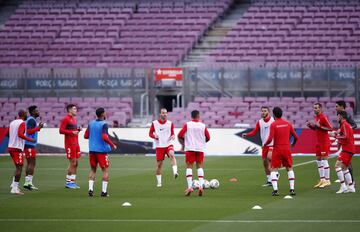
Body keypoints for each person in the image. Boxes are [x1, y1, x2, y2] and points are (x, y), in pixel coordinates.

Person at [264, 107, 298, 196]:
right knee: (289, 168)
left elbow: (270, 138)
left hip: (277, 149)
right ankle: (292, 190)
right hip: (287, 149)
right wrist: (293, 144)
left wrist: (265, 144)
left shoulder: (273, 124)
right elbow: (296, 137)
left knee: (274, 169)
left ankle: (275, 191)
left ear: (274, 115)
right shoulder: (288, 123)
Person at [84, 108, 116, 197]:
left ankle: (90, 190)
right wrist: (112, 144)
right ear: (102, 114)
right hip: (101, 151)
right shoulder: (104, 124)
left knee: (93, 170)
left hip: (92, 150)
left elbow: (85, 136)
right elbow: (104, 137)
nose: (106, 114)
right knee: (105, 170)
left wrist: (94, 136)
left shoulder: (91, 123)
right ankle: (104, 192)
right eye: (105, 112)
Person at [178, 110, 210, 197]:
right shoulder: (203, 126)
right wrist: (202, 142)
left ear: (191, 116)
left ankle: (190, 187)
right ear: (198, 116)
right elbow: (208, 137)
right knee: (199, 166)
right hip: (200, 149)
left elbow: (180, 135)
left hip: (190, 148)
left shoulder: (187, 125)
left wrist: (184, 144)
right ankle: (200, 186)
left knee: (189, 167)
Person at [242, 106, 274, 187]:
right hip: (264, 145)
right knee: (265, 163)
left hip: (272, 145)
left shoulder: (273, 121)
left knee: (270, 160)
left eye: (265, 111)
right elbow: (254, 132)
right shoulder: (260, 122)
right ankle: (269, 180)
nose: (263, 112)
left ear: (268, 112)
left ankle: (275, 175)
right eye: (262, 111)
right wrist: (247, 134)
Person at [149, 108, 178, 187]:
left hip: (168, 144)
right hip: (160, 145)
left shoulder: (170, 123)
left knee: (172, 154)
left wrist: (173, 136)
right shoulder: (154, 123)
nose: (165, 114)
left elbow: (172, 133)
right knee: (159, 165)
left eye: (166, 113)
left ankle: (175, 172)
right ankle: (159, 182)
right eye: (163, 113)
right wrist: (154, 136)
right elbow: (150, 133)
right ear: (160, 114)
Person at [8, 109, 35, 195]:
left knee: (17, 167)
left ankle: (13, 184)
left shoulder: (12, 122)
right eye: (26, 114)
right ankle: (15, 188)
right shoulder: (22, 123)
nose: (27, 115)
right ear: (23, 114)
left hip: (11, 147)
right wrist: (30, 139)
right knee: (19, 168)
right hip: (17, 148)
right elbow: (20, 134)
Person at [306, 103, 332, 188]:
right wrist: (310, 126)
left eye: (316, 108)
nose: (315, 109)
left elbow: (330, 128)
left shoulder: (323, 117)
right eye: (314, 108)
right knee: (318, 160)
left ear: (320, 109)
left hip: (324, 142)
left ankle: (327, 180)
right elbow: (317, 128)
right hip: (318, 142)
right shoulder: (316, 117)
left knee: (324, 160)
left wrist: (319, 125)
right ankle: (322, 180)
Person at [330, 111, 356, 194]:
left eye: (338, 116)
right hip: (350, 149)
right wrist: (335, 133)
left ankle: (343, 186)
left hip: (347, 149)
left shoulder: (344, 124)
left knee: (337, 166)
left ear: (341, 116)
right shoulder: (345, 125)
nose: (337, 117)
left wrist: (334, 136)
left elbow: (345, 136)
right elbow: (341, 133)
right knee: (345, 168)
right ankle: (351, 187)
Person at [59, 104, 81, 189]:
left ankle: (72, 182)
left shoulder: (73, 119)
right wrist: (72, 132)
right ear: (69, 110)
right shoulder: (66, 119)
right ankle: (68, 183)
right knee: (73, 162)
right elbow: (61, 131)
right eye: (74, 109)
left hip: (75, 143)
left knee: (76, 163)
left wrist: (78, 130)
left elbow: (72, 131)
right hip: (70, 144)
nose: (76, 110)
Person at [335, 100, 357, 184]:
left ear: (342, 107)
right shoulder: (341, 116)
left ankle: (352, 181)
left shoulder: (346, 115)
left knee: (347, 162)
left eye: (337, 106)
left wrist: (346, 130)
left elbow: (354, 125)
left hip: (347, 141)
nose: (335, 108)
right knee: (345, 162)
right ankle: (348, 178)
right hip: (343, 140)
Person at [23, 105, 44, 191]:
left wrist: (38, 128)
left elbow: (32, 130)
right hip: (29, 144)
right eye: (36, 111)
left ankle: (28, 182)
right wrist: (38, 128)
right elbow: (28, 131)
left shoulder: (32, 120)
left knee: (30, 163)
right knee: (32, 163)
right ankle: (28, 183)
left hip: (29, 144)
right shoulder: (31, 120)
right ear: (32, 112)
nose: (38, 112)